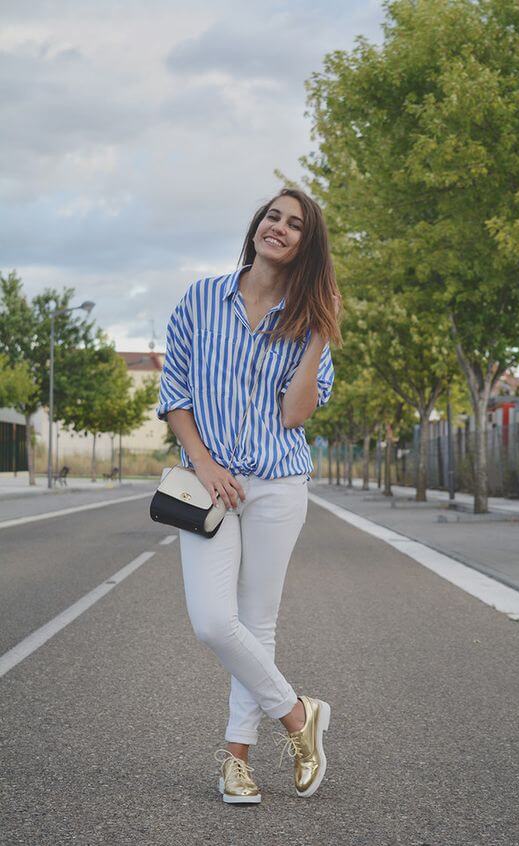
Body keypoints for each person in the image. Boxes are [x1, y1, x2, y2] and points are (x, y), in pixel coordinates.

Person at [156, 187, 343, 803]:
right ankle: (298, 716)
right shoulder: (202, 298)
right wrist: (206, 465)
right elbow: (175, 394)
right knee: (214, 622)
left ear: (304, 245)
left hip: (279, 482)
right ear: (257, 225)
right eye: (273, 217)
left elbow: (294, 415)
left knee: (256, 624)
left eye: (294, 225)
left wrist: (319, 334)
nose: (279, 228)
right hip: (209, 484)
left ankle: (236, 760)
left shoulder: (306, 320)